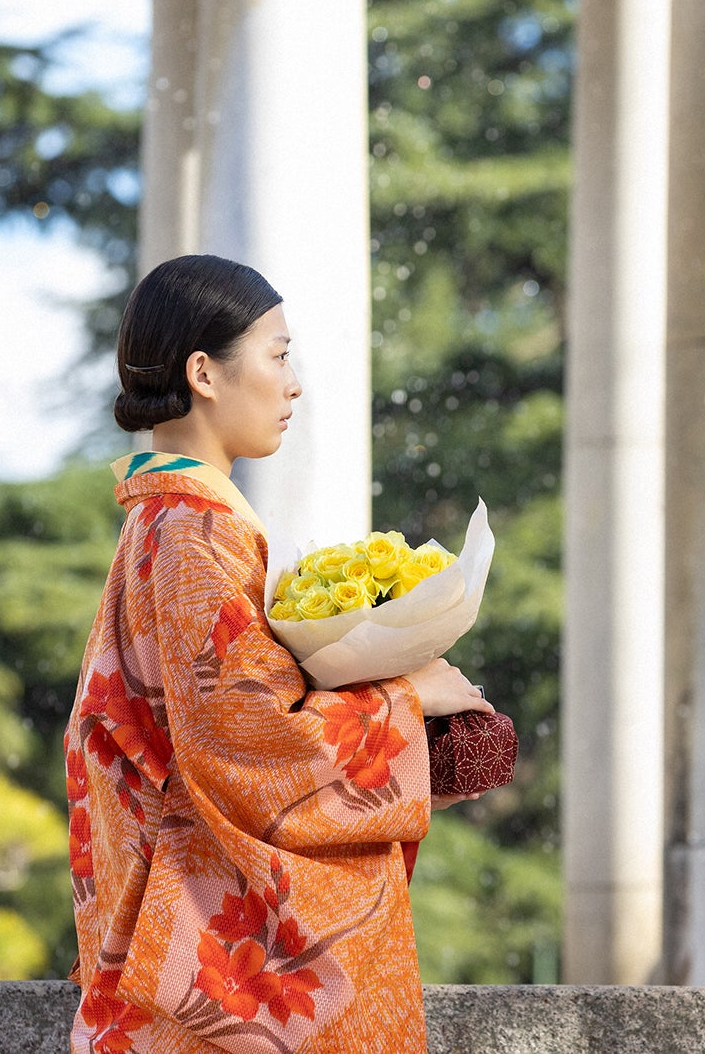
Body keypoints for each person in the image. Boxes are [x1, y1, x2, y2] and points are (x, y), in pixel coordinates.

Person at [65, 253, 492, 1054]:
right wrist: (409, 698)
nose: (293, 385)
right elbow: (248, 738)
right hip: (186, 934)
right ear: (204, 373)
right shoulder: (196, 531)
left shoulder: (166, 520)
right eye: (279, 355)